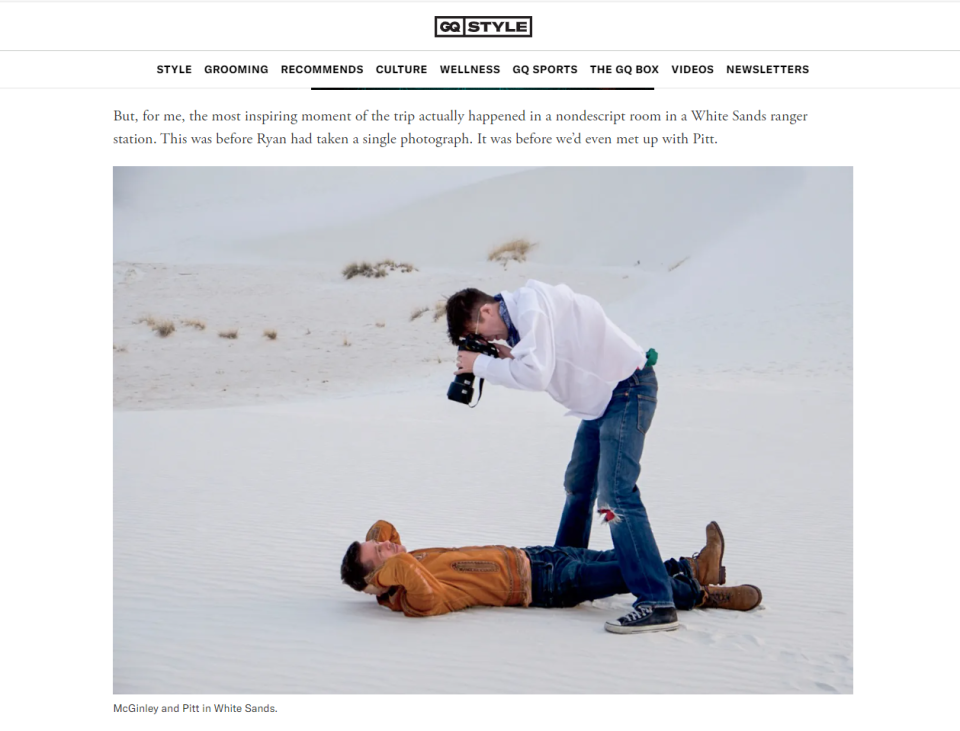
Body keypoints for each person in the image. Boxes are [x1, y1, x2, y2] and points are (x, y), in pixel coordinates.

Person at [445, 282, 677, 633]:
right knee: (577, 487)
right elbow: (545, 361)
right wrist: (507, 358)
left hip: (627, 389)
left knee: (615, 497)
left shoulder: (530, 307)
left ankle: (657, 601)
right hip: (602, 401)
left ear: (487, 312)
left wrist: (479, 365)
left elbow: (536, 376)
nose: (486, 341)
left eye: (477, 333)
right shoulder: (525, 324)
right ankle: (568, 567)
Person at [340, 520, 762, 623]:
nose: (391, 544)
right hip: (543, 585)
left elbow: (384, 526)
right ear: (382, 575)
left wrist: (377, 555)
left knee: (626, 562)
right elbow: (425, 592)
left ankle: (692, 568)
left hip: (536, 555)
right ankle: (704, 593)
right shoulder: (414, 598)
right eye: (381, 551)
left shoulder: (403, 564)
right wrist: (384, 576)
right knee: (628, 572)